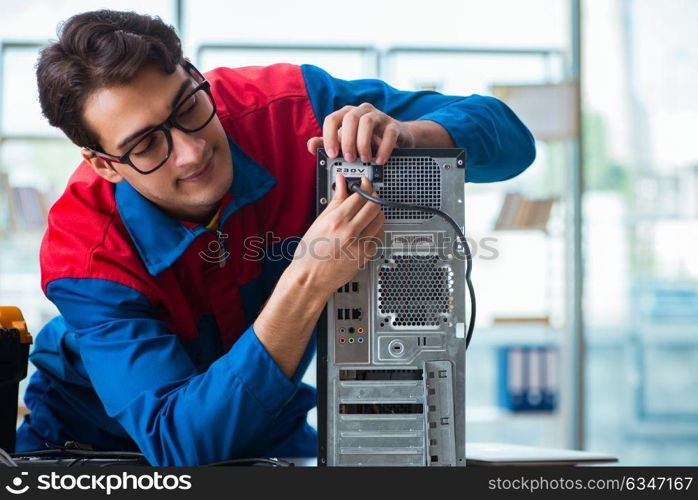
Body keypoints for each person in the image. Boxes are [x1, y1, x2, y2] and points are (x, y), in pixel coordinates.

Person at [15, 9, 536, 466]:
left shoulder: (298, 110)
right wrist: (307, 279)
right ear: (104, 165)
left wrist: (409, 138)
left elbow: (512, 139)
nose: (192, 151)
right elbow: (180, 446)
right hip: (92, 450)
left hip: (269, 432)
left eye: (187, 108)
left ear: (197, 77)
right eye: (148, 144)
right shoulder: (85, 252)